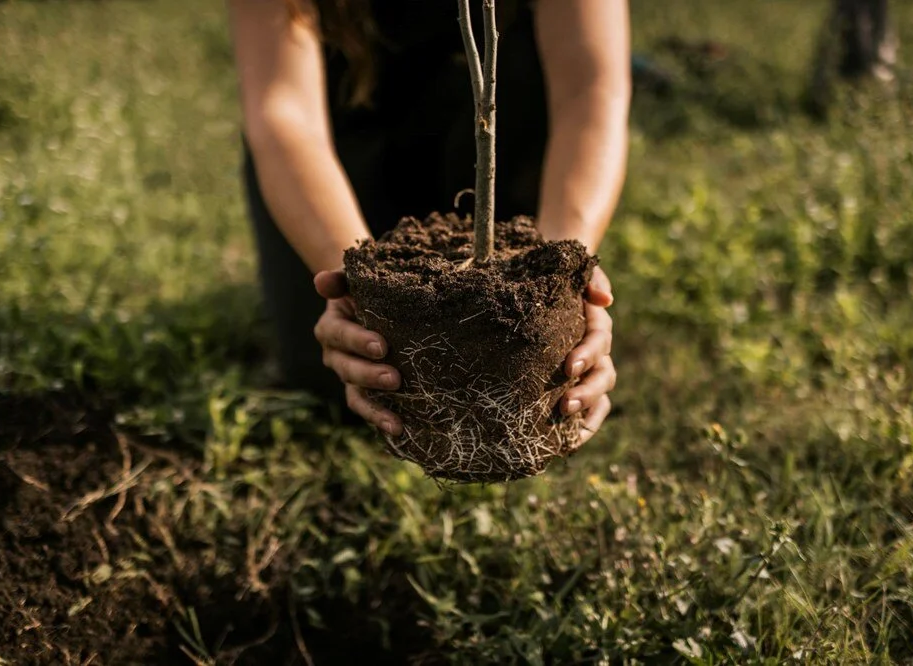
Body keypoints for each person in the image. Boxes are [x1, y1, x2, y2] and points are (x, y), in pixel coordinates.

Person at [228, 0, 630, 444]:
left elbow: (589, 87)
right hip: (349, 127)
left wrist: (564, 270)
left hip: (506, 124)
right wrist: (359, 284)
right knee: (333, 374)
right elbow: (283, 111)